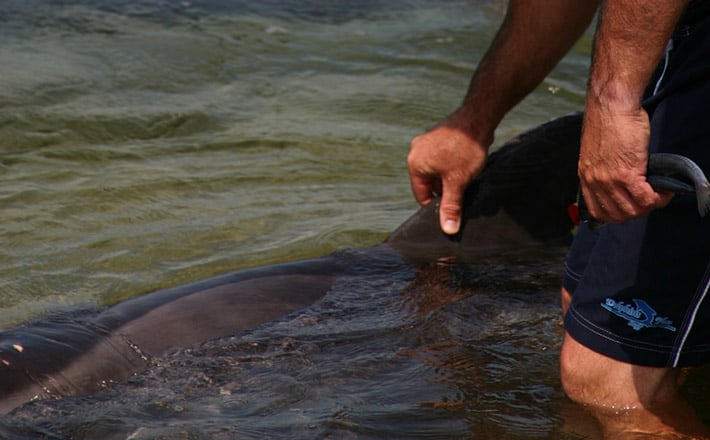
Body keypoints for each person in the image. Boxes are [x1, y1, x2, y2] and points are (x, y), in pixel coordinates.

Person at [408, 0, 710, 436]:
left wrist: (614, 106)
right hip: (674, 53)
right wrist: (474, 120)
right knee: (584, 308)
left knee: (609, 382)